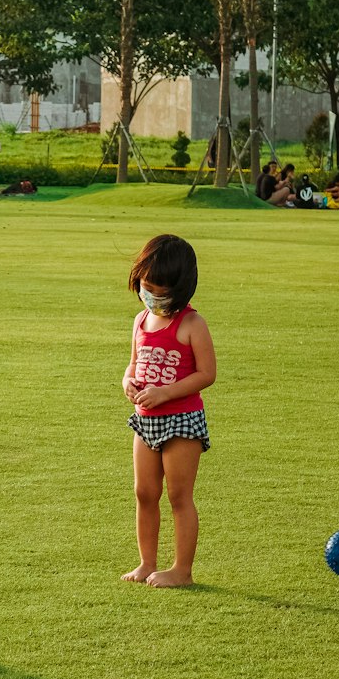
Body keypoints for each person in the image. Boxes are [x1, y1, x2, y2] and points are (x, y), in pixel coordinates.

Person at [121, 234, 216, 589]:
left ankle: (182, 571)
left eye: (161, 292)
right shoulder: (140, 320)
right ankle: (147, 562)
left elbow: (207, 374)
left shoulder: (192, 324)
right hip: (145, 421)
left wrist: (165, 394)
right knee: (144, 492)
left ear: (182, 288)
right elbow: (132, 365)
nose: (153, 297)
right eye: (147, 288)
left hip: (182, 421)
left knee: (178, 495)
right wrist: (128, 382)